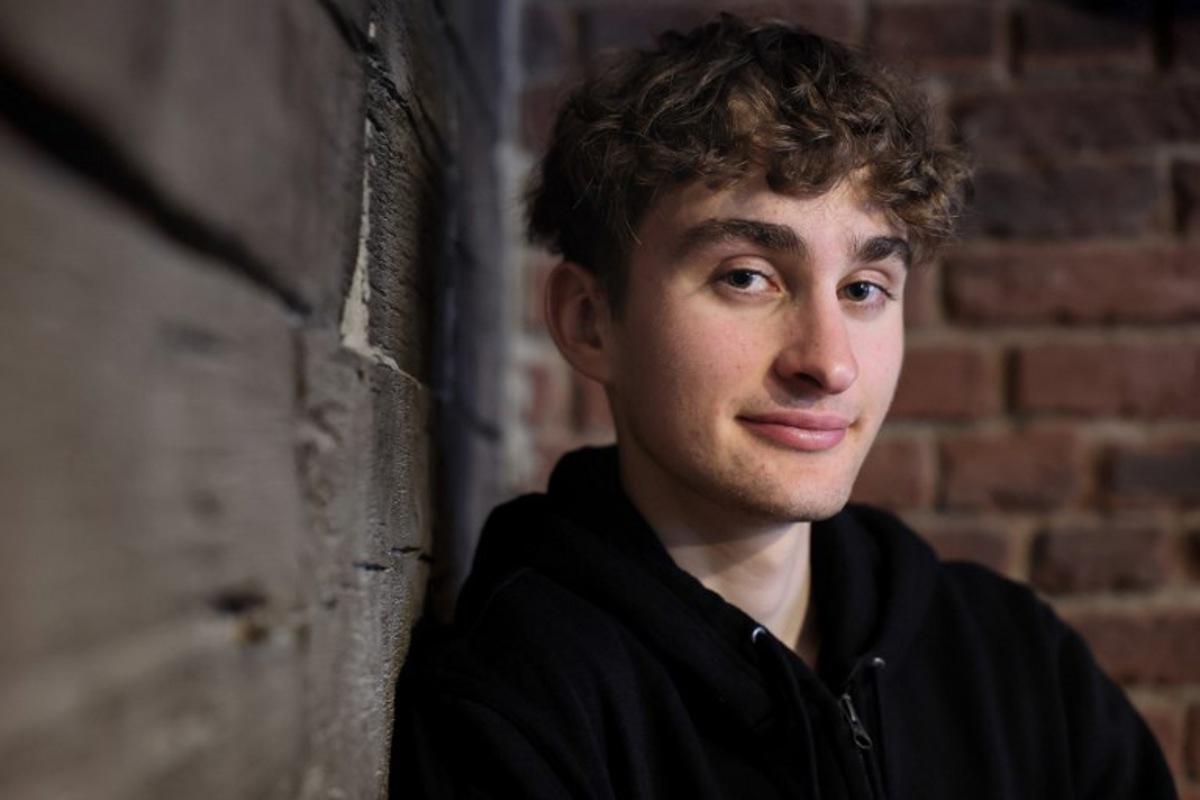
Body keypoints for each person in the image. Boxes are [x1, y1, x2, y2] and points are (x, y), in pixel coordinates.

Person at [392, 14, 1176, 799]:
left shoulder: (1017, 664)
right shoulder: (517, 706)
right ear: (590, 322)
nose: (829, 364)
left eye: (863, 289)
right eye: (746, 277)